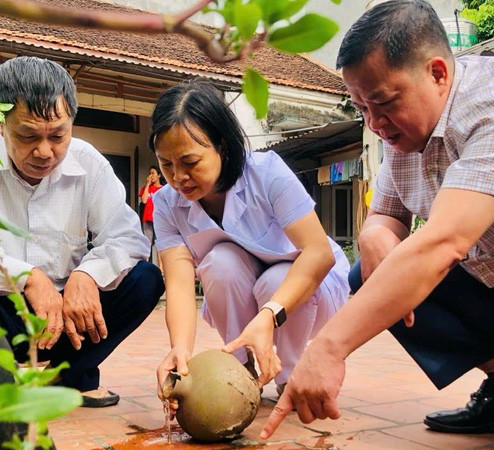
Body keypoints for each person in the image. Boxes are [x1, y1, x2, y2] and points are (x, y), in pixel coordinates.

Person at [260, 2, 494, 449]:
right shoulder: (405, 135)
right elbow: (387, 216)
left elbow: (443, 242)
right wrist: (374, 236)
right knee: (370, 273)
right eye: (362, 107)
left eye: (383, 103)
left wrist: (327, 347)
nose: (374, 123)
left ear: (439, 73)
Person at [0, 56, 164, 408]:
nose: (45, 152)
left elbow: (127, 237)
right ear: (0, 125)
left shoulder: (89, 164)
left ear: (72, 122)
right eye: (27, 136)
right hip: (2, 310)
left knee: (146, 279)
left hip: (71, 318)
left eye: (58, 135)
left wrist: (88, 275)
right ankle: (0, 378)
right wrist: (27, 277)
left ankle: (67, 373)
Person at [149, 80, 350, 411]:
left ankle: (290, 372)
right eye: (166, 164)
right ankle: (239, 366)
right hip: (251, 290)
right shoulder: (167, 205)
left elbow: (318, 254)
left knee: (274, 281)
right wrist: (180, 349)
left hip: (311, 287)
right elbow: (180, 285)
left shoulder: (267, 174)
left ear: (222, 146)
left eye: (190, 161)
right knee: (220, 263)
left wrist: (269, 315)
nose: (178, 177)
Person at [139, 166, 164, 261]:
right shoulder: (146, 188)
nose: (151, 175)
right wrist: (147, 184)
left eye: (153, 173)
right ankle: (146, 265)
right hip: (147, 217)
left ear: (159, 175)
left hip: (159, 219)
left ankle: (161, 269)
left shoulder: (163, 189)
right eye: (150, 173)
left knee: (160, 243)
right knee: (147, 242)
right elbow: (144, 201)